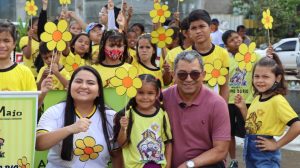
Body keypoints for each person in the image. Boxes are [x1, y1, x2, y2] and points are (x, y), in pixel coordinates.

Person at [36, 66, 122, 168]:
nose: (84, 86)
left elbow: (117, 155)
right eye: (78, 81)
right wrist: (70, 129)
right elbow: (39, 144)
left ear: (99, 91)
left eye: (90, 83)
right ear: (69, 86)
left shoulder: (111, 116)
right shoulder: (55, 111)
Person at [163, 50, 231, 168]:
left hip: (205, 164)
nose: (188, 79)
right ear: (173, 75)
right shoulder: (162, 98)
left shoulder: (217, 103)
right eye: (182, 74)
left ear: (203, 75)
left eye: (194, 74)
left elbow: (221, 150)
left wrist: (188, 165)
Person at [234, 53, 300, 168]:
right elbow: (251, 124)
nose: (260, 80)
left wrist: (277, 144)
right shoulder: (257, 98)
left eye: (265, 77)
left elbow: (297, 125)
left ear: (277, 78)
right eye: (257, 76)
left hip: (265, 156)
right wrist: (243, 108)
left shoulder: (277, 101)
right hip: (250, 152)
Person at [115, 74, 172, 168]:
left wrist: (168, 166)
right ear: (134, 93)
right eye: (140, 93)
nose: (145, 97)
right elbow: (122, 144)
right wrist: (123, 128)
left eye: (150, 93)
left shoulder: (162, 114)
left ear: (157, 94)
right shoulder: (128, 115)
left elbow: (168, 142)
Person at [222, 30, 259, 168]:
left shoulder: (254, 56)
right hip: (228, 102)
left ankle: (252, 158)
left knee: (250, 132)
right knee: (229, 133)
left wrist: (270, 55)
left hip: (248, 101)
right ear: (227, 46)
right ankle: (233, 160)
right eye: (232, 40)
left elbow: (266, 64)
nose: (236, 40)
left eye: (237, 37)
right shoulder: (225, 59)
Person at [0, 21, 51, 107]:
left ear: (14, 44)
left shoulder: (25, 72)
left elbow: (32, 108)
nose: (1, 45)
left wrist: (43, 92)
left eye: (6, 40)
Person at [186, 9, 230, 101]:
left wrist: (222, 110)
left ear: (210, 28)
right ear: (189, 32)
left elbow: (224, 87)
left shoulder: (222, 53)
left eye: (202, 26)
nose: (198, 31)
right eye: (193, 28)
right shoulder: (184, 55)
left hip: (213, 107)